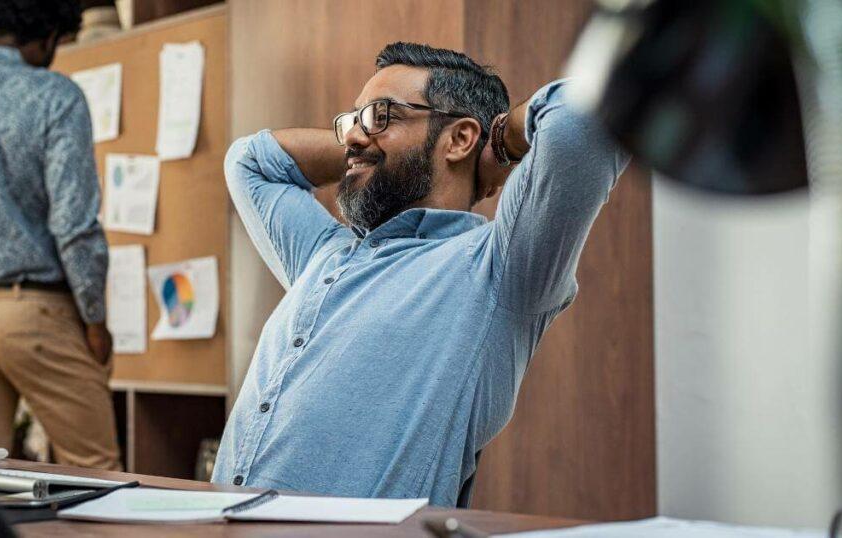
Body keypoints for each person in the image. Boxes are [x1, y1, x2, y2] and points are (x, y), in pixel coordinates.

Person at [215, 42, 629, 505]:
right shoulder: (325, 252)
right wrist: (366, 149)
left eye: (382, 115)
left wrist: (501, 142)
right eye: (354, 120)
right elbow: (249, 162)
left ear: (459, 139)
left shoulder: (497, 268)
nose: (352, 135)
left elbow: (587, 117)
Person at [0, 0, 121, 471]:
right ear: (49, 35)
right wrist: (95, 319)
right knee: (96, 474)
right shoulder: (54, 95)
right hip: (36, 311)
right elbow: (74, 225)